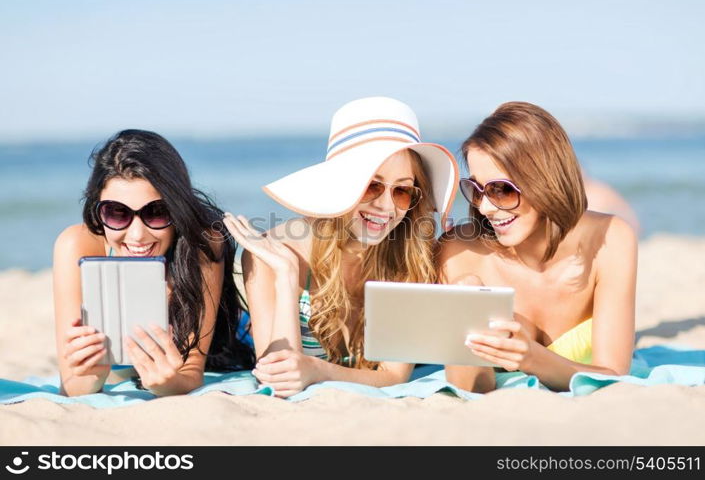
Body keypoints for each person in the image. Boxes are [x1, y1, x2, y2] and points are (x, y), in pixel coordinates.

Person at [224, 97, 459, 397]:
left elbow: (394, 375)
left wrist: (318, 371)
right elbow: (277, 380)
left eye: (401, 191)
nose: (386, 206)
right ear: (341, 185)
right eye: (372, 185)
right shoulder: (275, 253)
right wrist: (285, 275)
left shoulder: (410, 257)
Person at [438, 102, 637, 392]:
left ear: (545, 181)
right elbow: (470, 390)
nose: (486, 207)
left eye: (502, 189)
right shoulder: (459, 252)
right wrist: (464, 318)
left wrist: (531, 357)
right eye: (476, 190)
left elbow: (614, 375)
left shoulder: (611, 239)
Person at [53, 129, 254, 397]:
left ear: (178, 208)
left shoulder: (202, 243)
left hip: (227, 341)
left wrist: (168, 384)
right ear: (97, 208)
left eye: (157, 212)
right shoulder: (75, 246)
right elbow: (72, 385)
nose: (137, 235)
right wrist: (90, 377)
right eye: (117, 213)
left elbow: (191, 372)